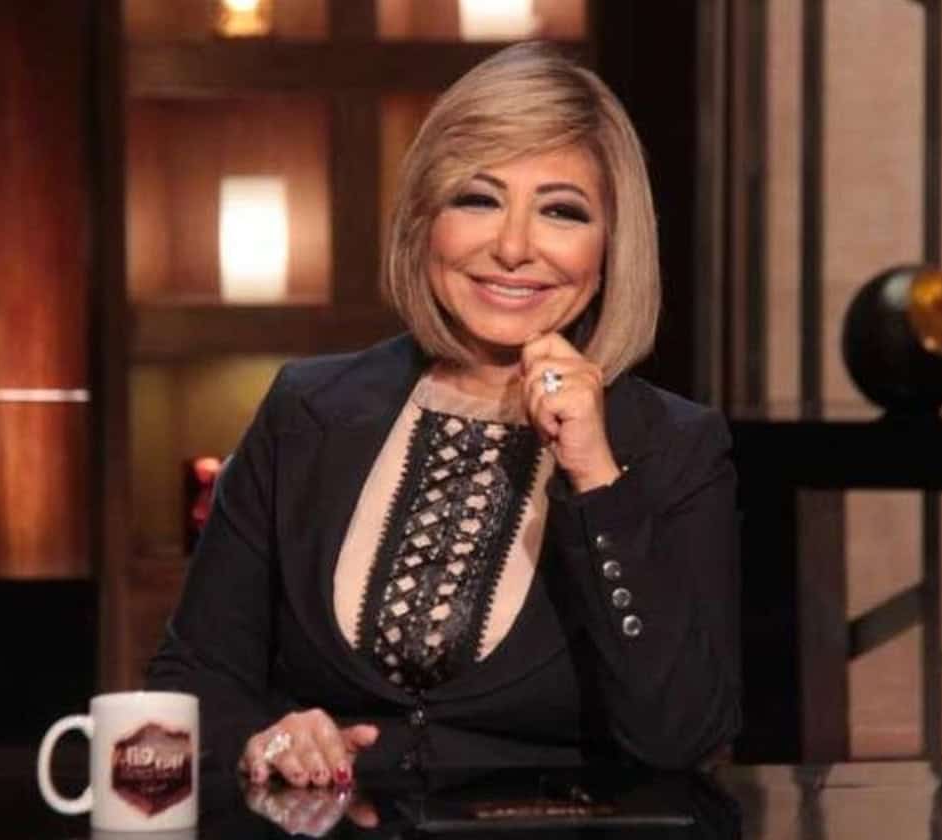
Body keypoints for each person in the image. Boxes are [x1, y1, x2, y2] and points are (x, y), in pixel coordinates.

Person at [146, 41, 740, 790]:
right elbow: (193, 677)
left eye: (561, 211)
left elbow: (683, 736)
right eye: (478, 199)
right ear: (426, 217)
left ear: (611, 248)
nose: (514, 247)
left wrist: (595, 475)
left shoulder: (676, 447)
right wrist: (265, 737)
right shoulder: (306, 410)